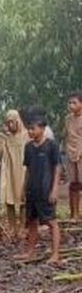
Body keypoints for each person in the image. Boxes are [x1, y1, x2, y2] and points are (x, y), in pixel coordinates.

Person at [20, 113, 63, 265]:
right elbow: (28, 169)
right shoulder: (28, 147)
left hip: (46, 189)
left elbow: (57, 167)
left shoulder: (51, 145)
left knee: (51, 222)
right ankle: (30, 252)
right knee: (31, 221)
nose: (30, 132)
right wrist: (24, 189)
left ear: (43, 129)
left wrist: (54, 189)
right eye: (28, 129)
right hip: (32, 189)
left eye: (33, 129)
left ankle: (56, 253)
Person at [0, 110, 29, 240]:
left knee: (23, 200)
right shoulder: (5, 137)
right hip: (9, 170)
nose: (10, 125)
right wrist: (1, 138)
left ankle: (22, 226)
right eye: (7, 122)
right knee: (9, 199)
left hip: (23, 169)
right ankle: (12, 227)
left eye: (12, 121)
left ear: (18, 121)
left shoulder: (26, 135)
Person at [66, 92, 82, 220]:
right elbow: (67, 135)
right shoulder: (67, 119)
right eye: (70, 102)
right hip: (71, 154)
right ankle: (74, 213)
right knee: (73, 185)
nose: (71, 105)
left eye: (74, 102)